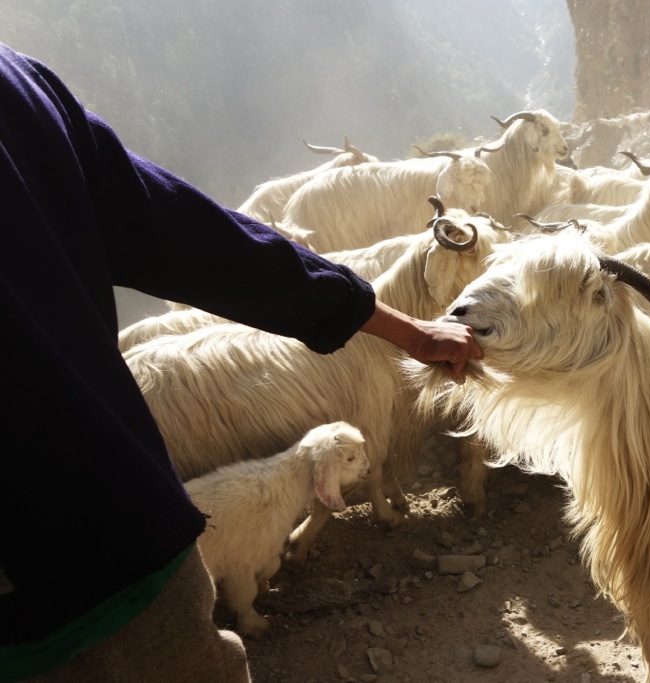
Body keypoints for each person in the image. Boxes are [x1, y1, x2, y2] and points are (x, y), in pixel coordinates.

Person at [0, 42, 481, 682]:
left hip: (97, 562)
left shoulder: (19, 90)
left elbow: (202, 239)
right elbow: (205, 242)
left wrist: (407, 331)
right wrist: (406, 330)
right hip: (115, 532)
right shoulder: (19, 90)